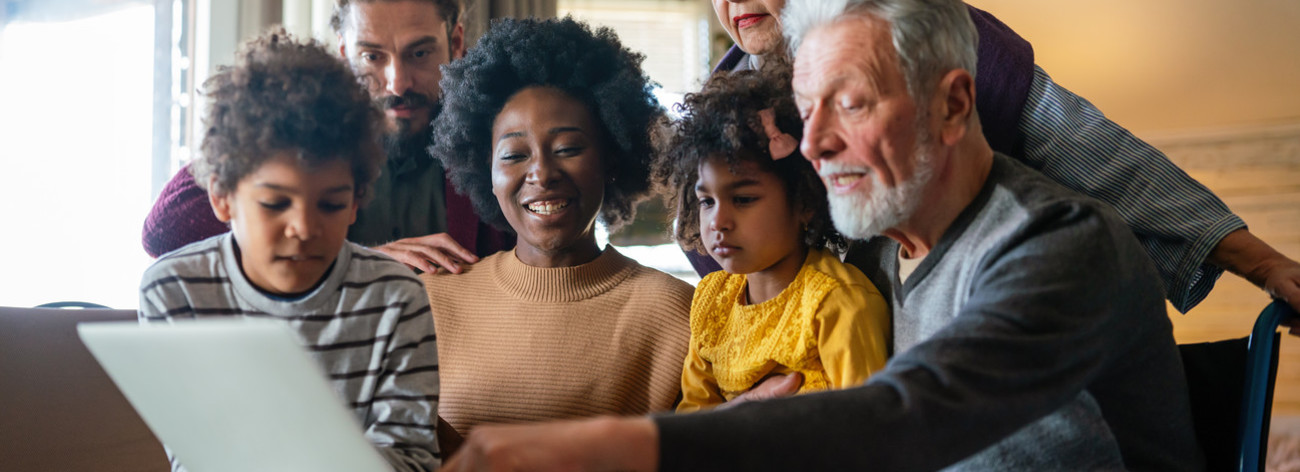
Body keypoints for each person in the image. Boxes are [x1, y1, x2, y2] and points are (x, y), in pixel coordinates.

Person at [437, 0, 1205, 470]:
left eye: (854, 103)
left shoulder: (1057, 245)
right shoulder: (879, 250)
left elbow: (909, 415)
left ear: (954, 103)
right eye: (811, 111)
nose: (816, 145)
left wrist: (616, 448)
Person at [696, 0, 1300, 316]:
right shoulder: (720, 107)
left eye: (851, 103)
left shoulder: (913, 35)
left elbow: (1098, 155)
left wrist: (1265, 264)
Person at [137, 31, 440, 471]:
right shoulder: (175, 291)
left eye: (332, 204)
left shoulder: (397, 297)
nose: (303, 228)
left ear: (356, 201)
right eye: (275, 203)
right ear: (221, 197)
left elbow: (414, 464)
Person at [419, 17, 692, 441]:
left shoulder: (676, 313)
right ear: (484, 171)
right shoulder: (430, 301)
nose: (542, 173)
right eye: (513, 155)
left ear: (611, 159)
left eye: (568, 148)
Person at [142, 0, 513, 274]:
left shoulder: (495, 144)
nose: (397, 82)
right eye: (372, 56)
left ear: (456, 41)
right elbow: (166, 231)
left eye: (419, 53)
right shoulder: (308, 127)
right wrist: (352, 262)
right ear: (342, 52)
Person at [654, 65, 889, 413]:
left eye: (744, 199)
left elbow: (869, 429)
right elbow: (692, 420)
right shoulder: (712, 301)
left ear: (805, 202)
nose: (718, 221)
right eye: (707, 201)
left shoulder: (836, 303)